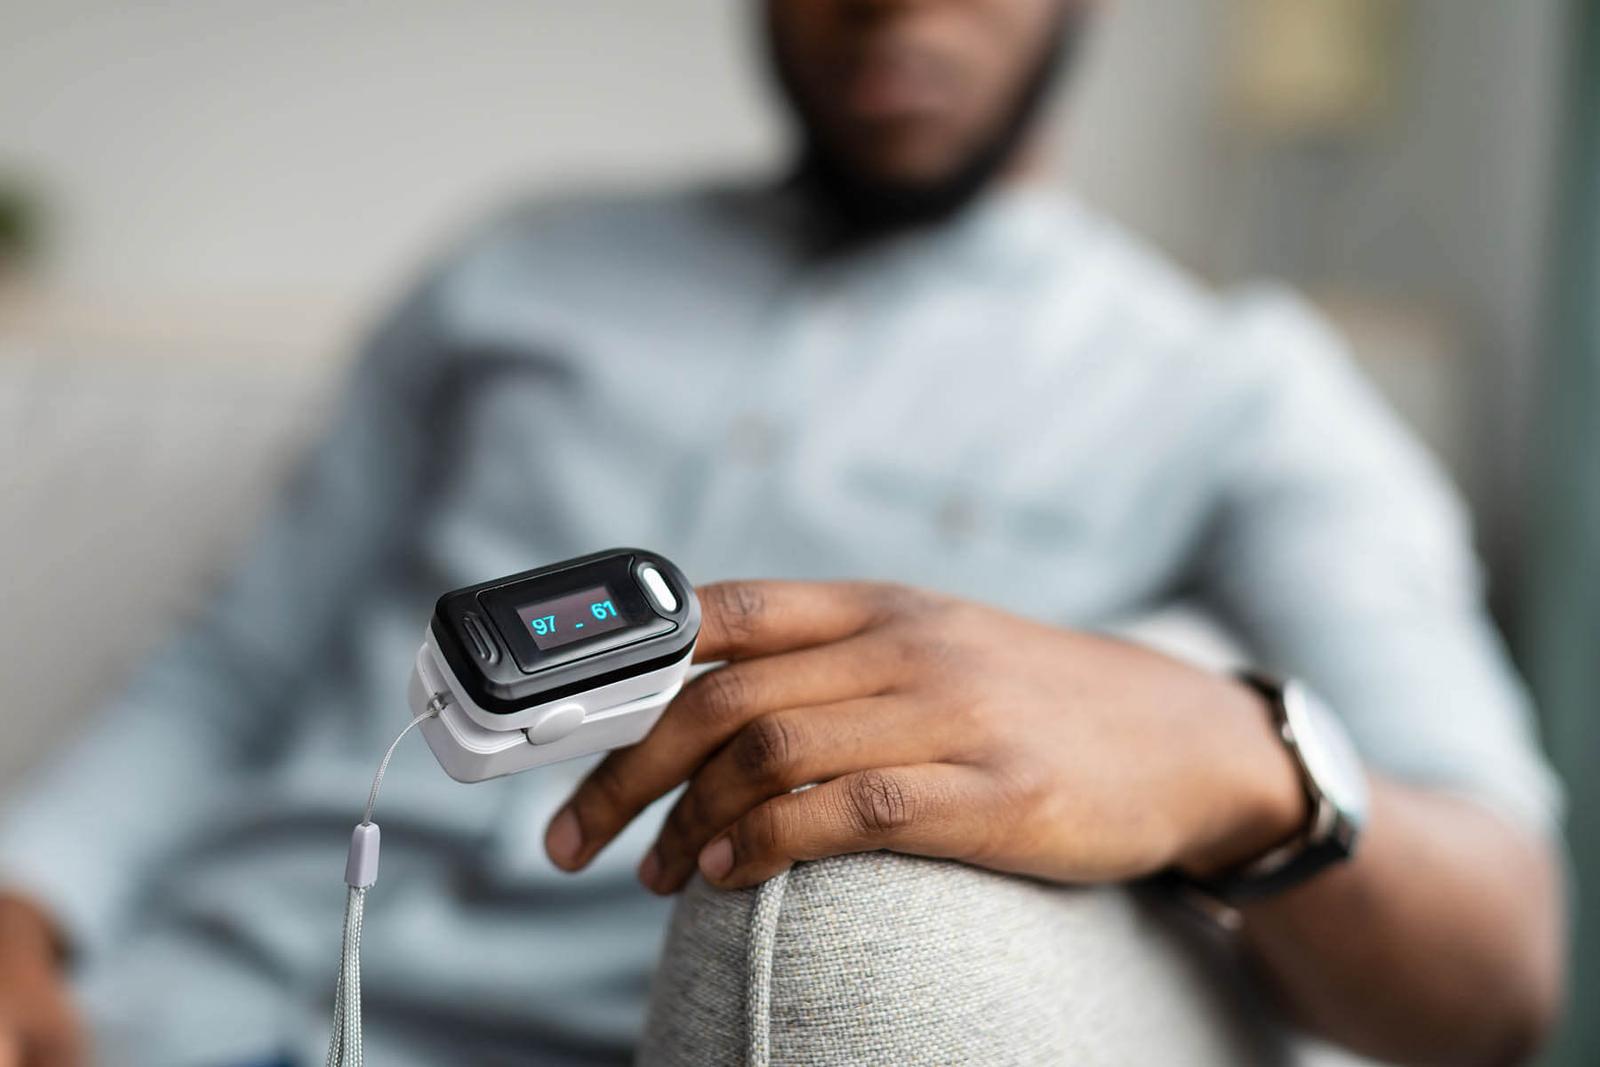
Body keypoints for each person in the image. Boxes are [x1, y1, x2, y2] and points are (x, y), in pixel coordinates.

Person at [0, 1, 1566, 1064]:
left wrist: (1234, 760)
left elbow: (1501, 971)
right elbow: (236, 657)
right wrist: (24, 908)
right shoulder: (519, 266)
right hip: (157, 1011)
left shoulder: (1239, 396)